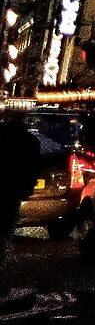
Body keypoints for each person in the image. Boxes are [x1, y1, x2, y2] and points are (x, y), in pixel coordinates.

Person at [0, 111, 43, 301]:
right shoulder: (29, 141)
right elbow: (32, 168)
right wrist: (26, 187)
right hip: (12, 192)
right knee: (3, 234)